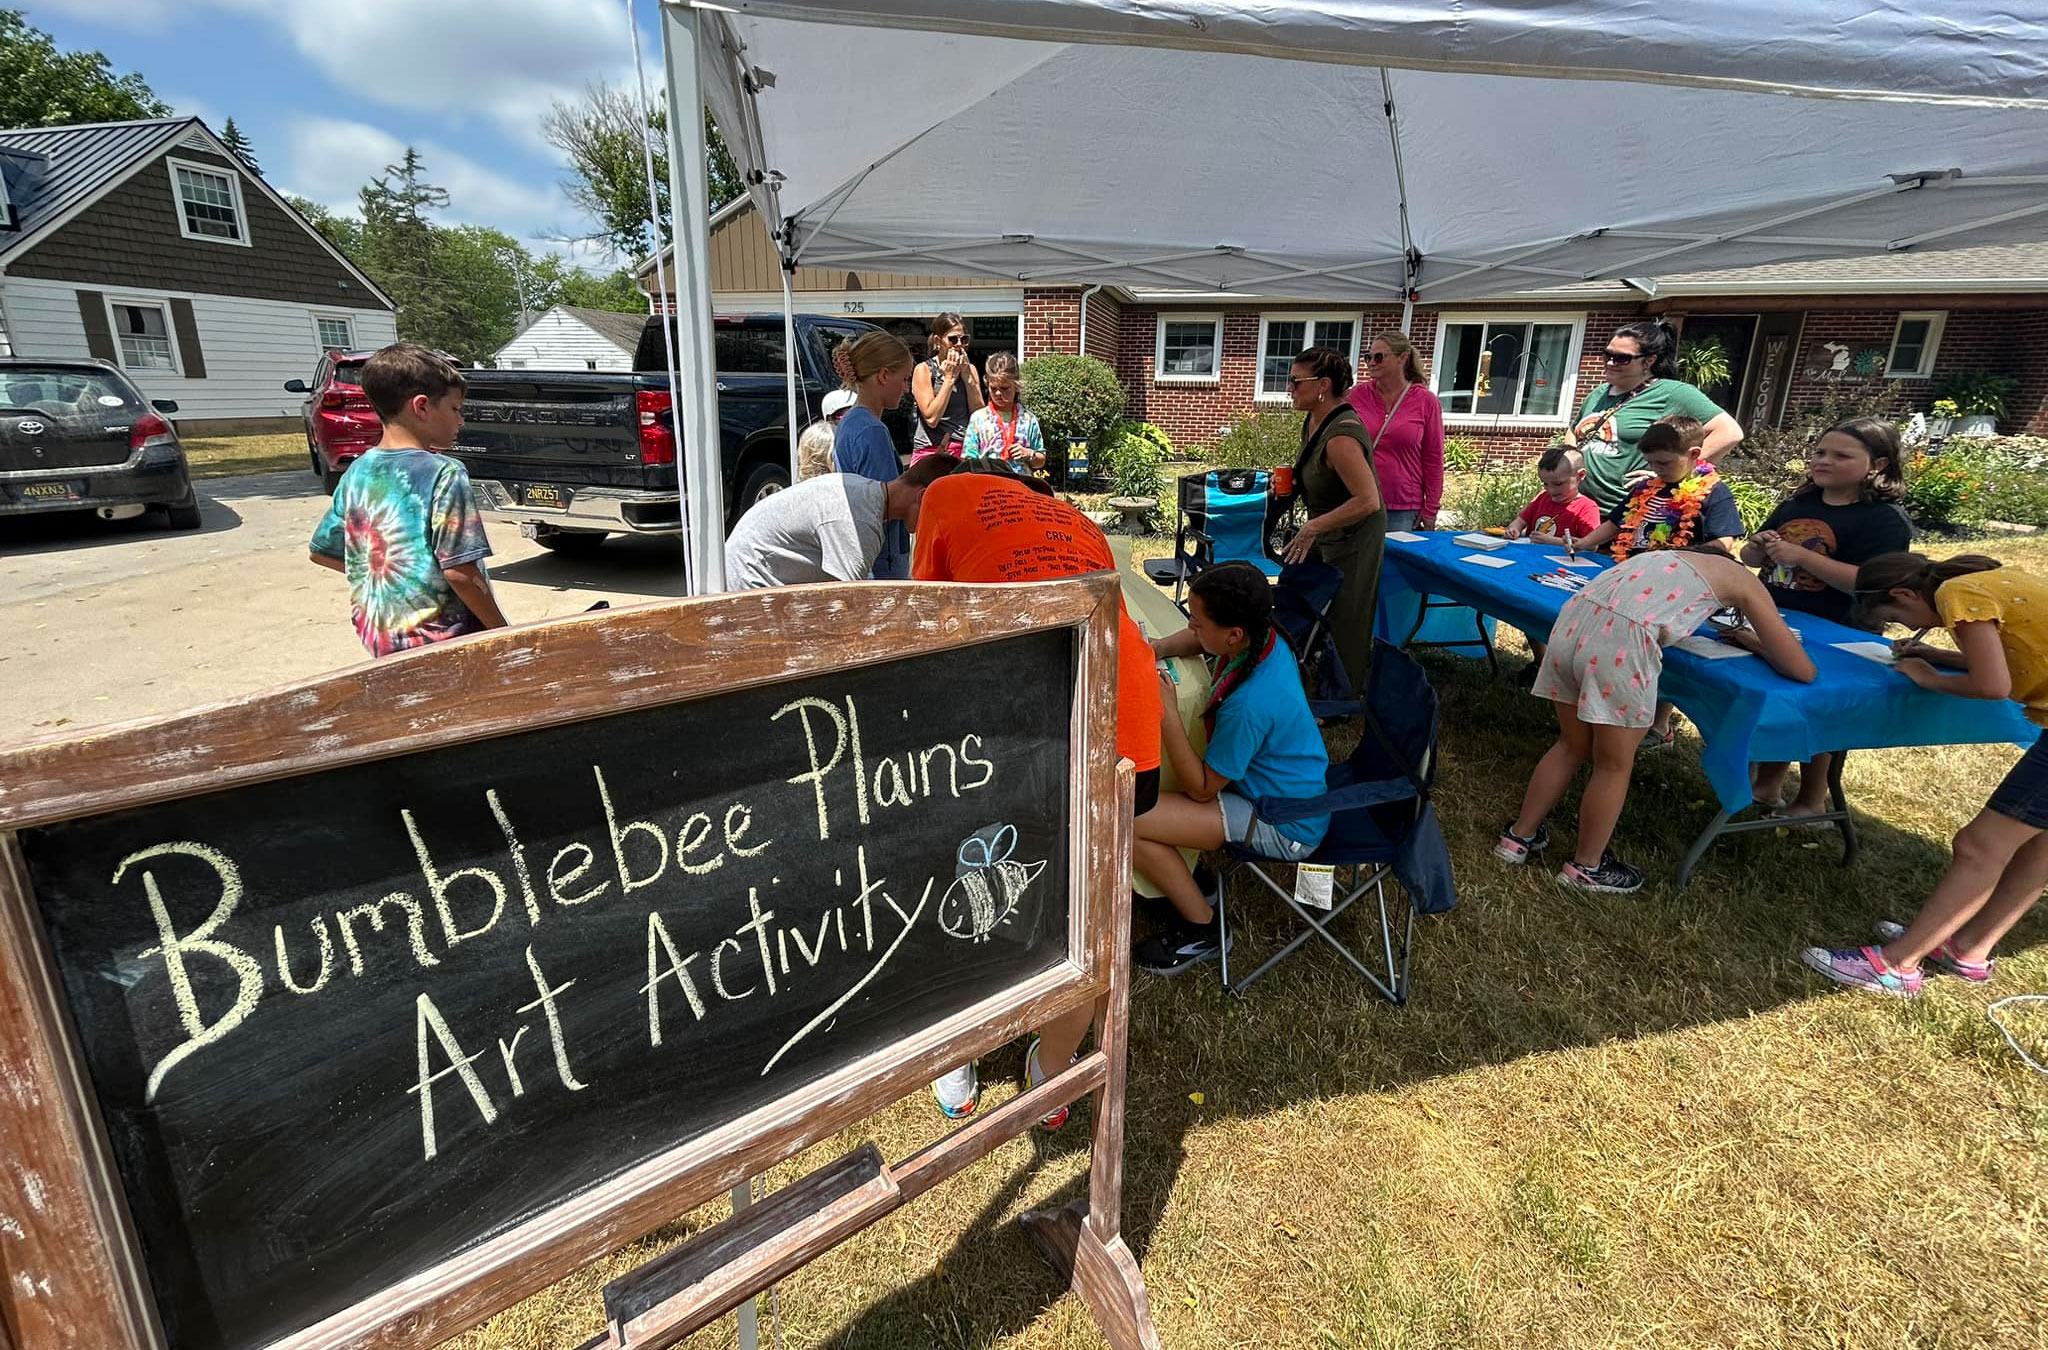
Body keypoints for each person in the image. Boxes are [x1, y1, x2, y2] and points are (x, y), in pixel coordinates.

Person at [911, 466, 1163, 1124]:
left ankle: (956, 1071)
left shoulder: (945, 491)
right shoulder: (1079, 520)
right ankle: (1050, 1079)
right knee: (1085, 916)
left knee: (961, 889)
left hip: (1016, 711)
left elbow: (920, 626)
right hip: (1123, 705)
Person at [1496, 549, 1814, 892]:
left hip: (1573, 623)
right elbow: (1801, 669)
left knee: (1570, 744)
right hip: (1620, 644)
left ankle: (1517, 838)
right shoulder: (1743, 580)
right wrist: (1757, 644)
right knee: (1613, 765)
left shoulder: (1663, 557)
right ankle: (1586, 866)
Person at [1801, 553, 2048, 996]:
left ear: (1904, 593)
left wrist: (1929, 678)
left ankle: (1895, 966)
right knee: (2038, 847)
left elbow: (1994, 688)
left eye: (1899, 617)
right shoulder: (1990, 578)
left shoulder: (1956, 592)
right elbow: (2022, 652)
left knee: (1979, 847)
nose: (1912, 626)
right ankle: (1969, 948)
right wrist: (1939, 655)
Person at [1138, 563, 1331, 973]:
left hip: (1284, 821)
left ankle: (1203, 929)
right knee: (1138, 807)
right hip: (1284, 789)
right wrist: (1153, 648)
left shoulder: (1249, 706)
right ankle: (1193, 882)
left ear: (1233, 634)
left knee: (1126, 819)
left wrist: (1168, 714)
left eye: (1197, 620)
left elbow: (1202, 789)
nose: (1191, 626)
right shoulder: (1262, 637)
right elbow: (1201, 641)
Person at [1742, 418, 1912, 816]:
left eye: (1841, 455)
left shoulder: (1884, 519)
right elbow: (1750, 559)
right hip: (1778, 618)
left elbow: (1872, 584)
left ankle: (1812, 799)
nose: (1824, 461)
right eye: (1820, 452)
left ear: (1878, 465)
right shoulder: (1796, 505)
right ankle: (1768, 783)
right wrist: (1758, 546)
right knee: (1783, 701)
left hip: (1840, 632)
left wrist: (1804, 557)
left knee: (1822, 713)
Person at [309, 343, 506, 656]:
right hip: (445, 642)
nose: (461, 421)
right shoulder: (444, 473)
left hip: (380, 638)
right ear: (422, 407)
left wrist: (393, 583)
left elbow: (322, 551)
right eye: (455, 409)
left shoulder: (357, 472)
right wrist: (505, 634)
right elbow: (460, 573)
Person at [1571, 416, 1745, 746]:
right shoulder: (1646, 489)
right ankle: (1616, 703)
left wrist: (1679, 556)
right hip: (1633, 580)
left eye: (1664, 462)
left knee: (1665, 653)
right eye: (1651, 462)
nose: (1657, 469)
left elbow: (1724, 544)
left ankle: (1659, 722)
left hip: (1679, 587)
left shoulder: (1714, 493)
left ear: (1695, 454)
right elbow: (1614, 522)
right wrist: (1584, 542)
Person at [1279, 345, 1386, 699]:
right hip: (1327, 530)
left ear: (1322, 384)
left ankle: (1341, 697)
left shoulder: (1341, 435)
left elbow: (1368, 500)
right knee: (1310, 598)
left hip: (1355, 535)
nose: (1289, 388)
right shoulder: (1313, 420)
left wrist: (1312, 527)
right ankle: (1310, 672)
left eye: (1296, 382)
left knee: (1346, 613)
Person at [1562, 319, 1744, 512]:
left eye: (1621, 358)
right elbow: (1574, 431)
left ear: (1649, 361)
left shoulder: (1673, 392)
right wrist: (1566, 470)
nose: (1610, 362)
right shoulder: (1599, 393)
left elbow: (1729, 432)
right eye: (1607, 354)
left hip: (1625, 514)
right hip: (1579, 509)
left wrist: (1677, 472)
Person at [724, 457, 958, 590]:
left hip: (757, 565)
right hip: (753, 575)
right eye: (939, 513)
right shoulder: (859, 523)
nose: (935, 525)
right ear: (923, 496)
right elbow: (850, 607)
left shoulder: (863, 494)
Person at [830, 330, 915, 578]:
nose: (907, 388)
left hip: (861, 552)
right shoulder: (872, 430)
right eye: (905, 379)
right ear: (884, 375)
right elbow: (887, 503)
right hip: (882, 562)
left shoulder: (850, 423)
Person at [1346, 330, 1445, 531]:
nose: (1372, 362)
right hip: (1358, 500)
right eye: (1368, 357)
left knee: (1393, 561)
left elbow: (1433, 458)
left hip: (1402, 506)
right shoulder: (1356, 396)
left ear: (1402, 358)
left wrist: (1430, 509)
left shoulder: (1426, 401)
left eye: (1379, 357)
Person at [909, 311, 984, 460]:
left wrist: (967, 377)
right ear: (938, 340)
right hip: (931, 450)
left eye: (964, 339)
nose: (959, 345)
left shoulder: (970, 369)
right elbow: (931, 418)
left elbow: (979, 417)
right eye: (953, 339)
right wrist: (949, 379)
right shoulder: (924, 370)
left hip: (963, 449)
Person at [958, 351, 1045, 471]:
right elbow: (968, 458)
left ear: (1016, 386)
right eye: (993, 389)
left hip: (1019, 485)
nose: (998, 393)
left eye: (1005, 388)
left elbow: (1041, 459)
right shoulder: (979, 418)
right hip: (988, 484)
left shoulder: (1028, 419)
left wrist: (1029, 454)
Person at [1507, 445, 1603, 544]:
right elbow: (1520, 521)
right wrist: (1514, 529)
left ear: (1580, 475)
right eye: (1545, 483)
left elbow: (1592, 546)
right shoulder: (1542, 498)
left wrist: (1553, 541)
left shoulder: (1587, 507)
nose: (1551, 490)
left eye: (1558, 484)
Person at [796, 389, 858, 481]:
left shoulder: (865, 439)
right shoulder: (821, 436)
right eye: (841, 415)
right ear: (830, 418)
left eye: (856, 415)